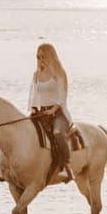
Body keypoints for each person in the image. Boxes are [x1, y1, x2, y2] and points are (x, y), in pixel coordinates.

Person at [28, 43, 75, 182]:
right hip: (41, 112)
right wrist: (34, 109)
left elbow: (62, 96)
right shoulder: (36, 75)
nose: (41, 59)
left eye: (43, 56)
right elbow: (33, 95)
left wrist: (53, 110)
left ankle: (67, 167)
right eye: (38, 56)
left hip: (58, 112)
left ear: (51, 56)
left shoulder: (59, 73)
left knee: (57, 133)